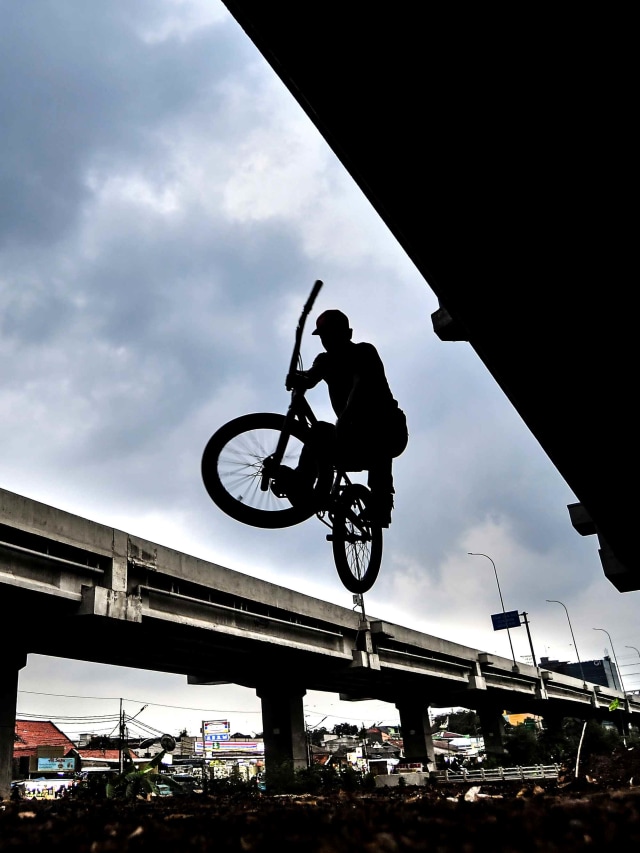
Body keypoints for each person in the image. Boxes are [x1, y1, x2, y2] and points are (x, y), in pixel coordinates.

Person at [277, 308, 408, 526]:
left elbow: (361, 384)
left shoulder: (364, 352)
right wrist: (298, 378)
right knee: (317, 432)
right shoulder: (325, 360)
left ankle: (381, 504)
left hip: (387, 430)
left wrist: (346, 417)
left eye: (331, 334)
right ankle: (303, 484)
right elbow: (310, 377)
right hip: (349, 437)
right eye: (324, 337)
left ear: (348, 333)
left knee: (377, 431)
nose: (327, 341)